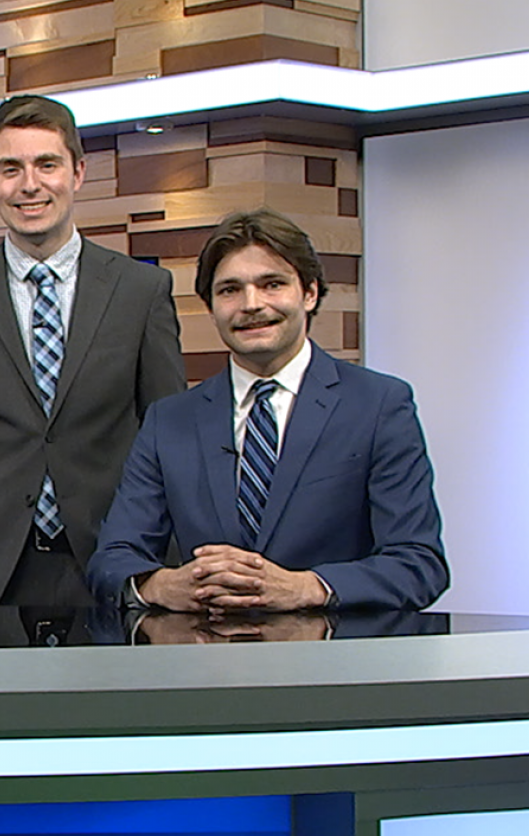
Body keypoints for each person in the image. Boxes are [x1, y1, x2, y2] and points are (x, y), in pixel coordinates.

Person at [88, 209, 449, 611]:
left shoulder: (379, 405)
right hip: (208, 665)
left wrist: (306, 588)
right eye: (229, 290)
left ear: (309, 293)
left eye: (272, 284)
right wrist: (163, 585)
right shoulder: (169, 421)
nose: (251, 304)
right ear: (210, 307)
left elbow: (419, 564)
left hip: (335, 665)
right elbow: (112, 560)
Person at [0, 94, 185, 607]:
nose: (29, 185)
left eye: (46, 165)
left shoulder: (141, 292)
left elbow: (169, 441)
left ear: (78, 173)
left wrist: (159, 562)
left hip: (114, 561)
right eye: (10, 168)